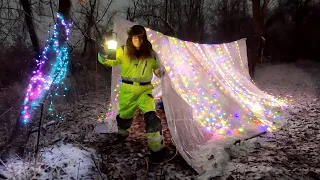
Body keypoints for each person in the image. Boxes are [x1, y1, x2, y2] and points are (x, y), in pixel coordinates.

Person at [97, 25, 166, 159]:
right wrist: (103, 52)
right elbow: (106, 61)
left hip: (144, 90)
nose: (137, 40)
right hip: (127, 91)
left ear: (144, 38)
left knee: (152, 118)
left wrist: (161, 71)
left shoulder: (151, 54)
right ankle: (122, 136)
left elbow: (158, 71)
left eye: (140, 37)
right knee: (124, 117)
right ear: (130, 38)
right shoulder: (123, 51)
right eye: (134, 37)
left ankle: (157, 150)